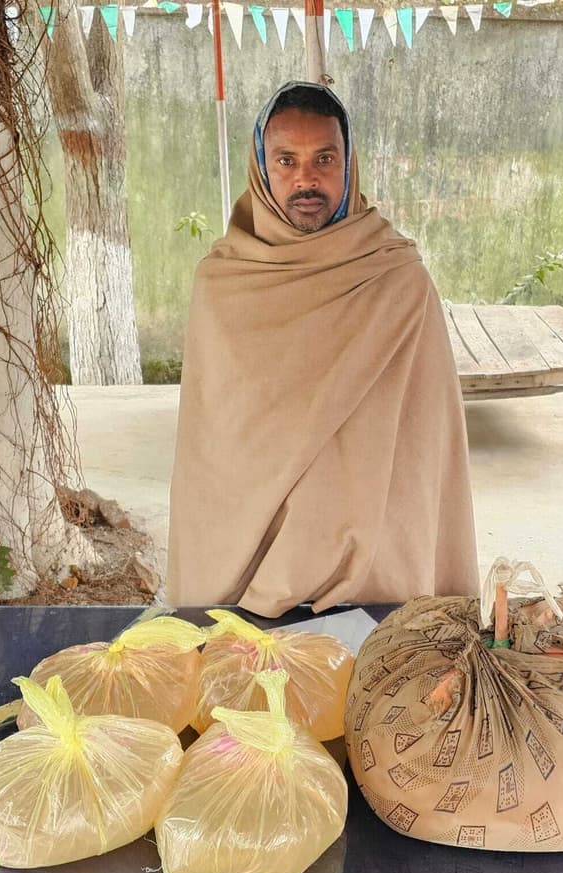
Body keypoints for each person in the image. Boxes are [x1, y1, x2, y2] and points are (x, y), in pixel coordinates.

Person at [166, 81, 479, 617]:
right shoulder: (223, 284)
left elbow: (425, 445)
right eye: (286, 160)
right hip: (251, 572)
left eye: (324, 159)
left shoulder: (398, 279)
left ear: (348, 164)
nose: (306, 179)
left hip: (378, 571)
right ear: (262, 167)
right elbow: (213, 453)